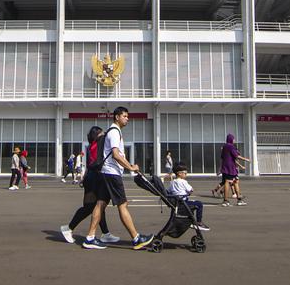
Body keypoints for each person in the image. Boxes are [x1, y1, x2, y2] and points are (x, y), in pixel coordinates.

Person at [83, 106, 153, 250]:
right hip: (112, 174)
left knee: (100, 204)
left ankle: (90, 238)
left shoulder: (113, 131)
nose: (127, 118)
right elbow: (116, 154)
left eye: (127, 116)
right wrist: (131, 167)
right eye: (125, 116)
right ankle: (136, 238)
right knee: (122, 204)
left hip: (107, 173)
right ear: (117, 117)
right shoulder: (114, 132)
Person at [60, 126, 118, 245]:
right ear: (97, 135)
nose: (103, 134)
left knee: (99, 206)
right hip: (94, 179)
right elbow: (106, 135)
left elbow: (88, 164)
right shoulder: (98, 143)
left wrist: (83, 177)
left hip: (92, 177)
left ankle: (106, 234)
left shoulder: (92, 146)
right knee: (89, 207)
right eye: (101, 133)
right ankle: (68, 228)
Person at [167, 164, 209, 231]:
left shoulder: (172, 182)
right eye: (185, 173)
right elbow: (191, 190)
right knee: (199, 204)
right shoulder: (183, 182)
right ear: (179, 173)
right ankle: (199, 222)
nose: (186, 175)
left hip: (176, 202)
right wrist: (189, 193)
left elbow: (168, 191)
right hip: (183, 202)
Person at [219, 133, 250, 206]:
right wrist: (246, 159)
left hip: (226, 167)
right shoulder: (231, 147)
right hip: (230, 168)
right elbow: (236, 156)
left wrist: (220, 168)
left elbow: (222, 158)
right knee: (227, 182)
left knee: (235, 182)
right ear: (231, 139)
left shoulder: (224, 147)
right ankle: (225, 201)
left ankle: (239, 199)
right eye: (233, 139)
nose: (234, 140)